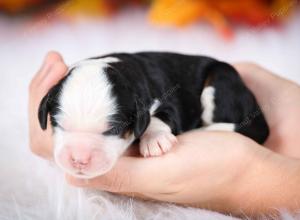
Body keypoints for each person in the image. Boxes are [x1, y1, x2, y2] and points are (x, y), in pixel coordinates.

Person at [29, 51, 300, 217]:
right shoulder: (89, 87)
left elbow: (171, 107)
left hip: (211, 78)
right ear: (46, 112)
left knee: (217, 80)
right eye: (62, 126)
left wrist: (154, 129)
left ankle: (239, 127)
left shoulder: (141, 98)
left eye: (109, 130)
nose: (79, 155)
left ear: (139, 117)